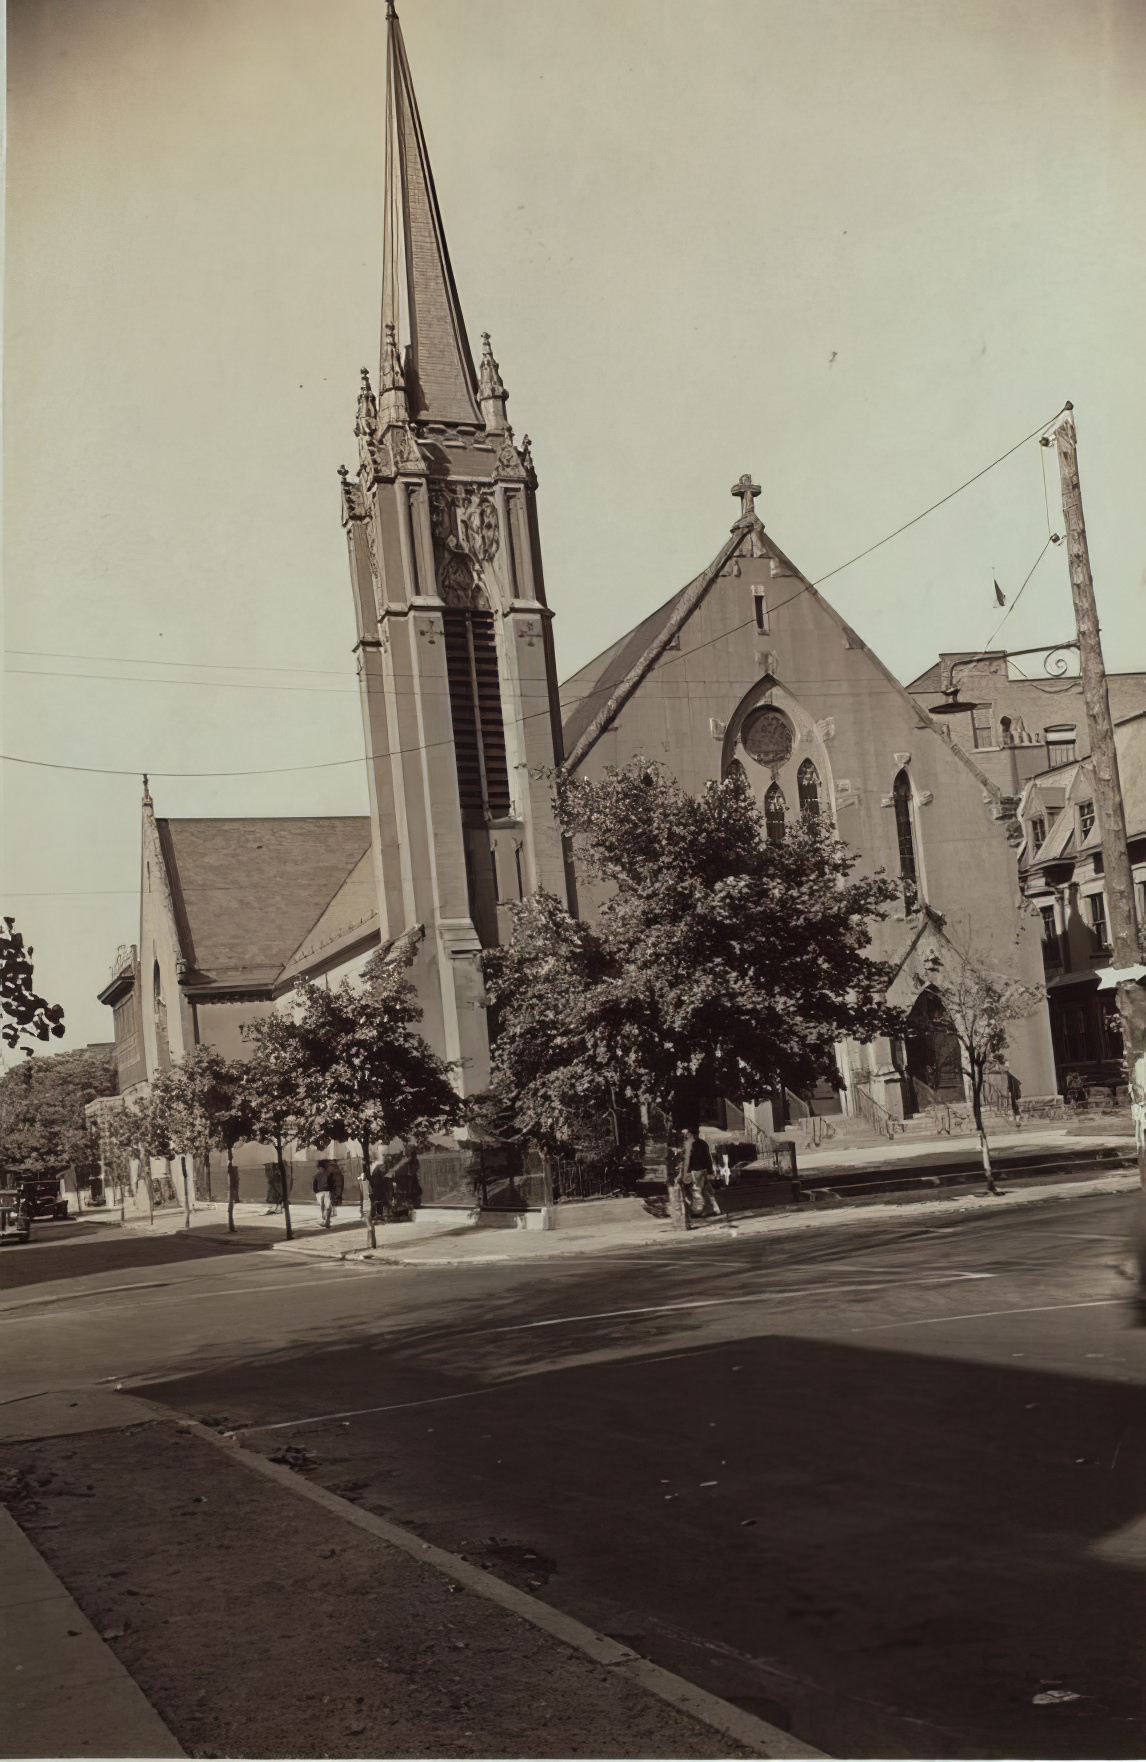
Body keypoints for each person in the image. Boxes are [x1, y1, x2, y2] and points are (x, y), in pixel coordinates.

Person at [326, 1161, 345, 1226]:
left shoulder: (335, 1174)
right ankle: (330, 1217)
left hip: (334, 1191)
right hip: (335, 1190)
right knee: (331, 1204)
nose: (329, 1167)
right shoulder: (338, 1173)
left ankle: (328, 1221)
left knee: (330, 1204)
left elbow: (337, 1184)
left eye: (330, 1166)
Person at [312, 1161, 331, 1225]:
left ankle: (324, 1219)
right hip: (327, 1191)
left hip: (319, 1192)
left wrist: (315, 1191)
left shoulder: (317, 1174)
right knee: (328, 1206)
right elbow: (331, 1183)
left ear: (319, 1167)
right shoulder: (328, 1173)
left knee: (322, 1206)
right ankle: (327, 1220)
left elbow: (314, 1184)